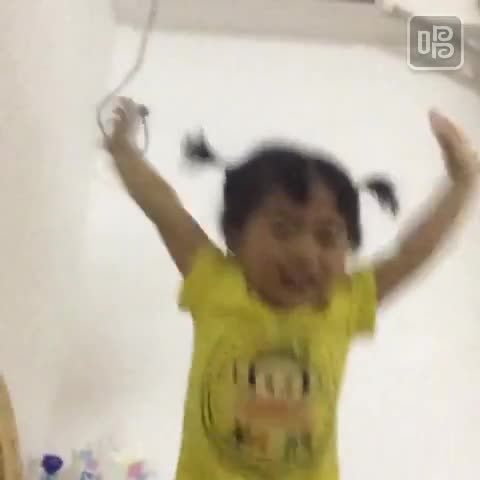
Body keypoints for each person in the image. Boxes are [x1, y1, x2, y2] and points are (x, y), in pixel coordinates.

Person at [104, 97, 478, 480]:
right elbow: (164, 208)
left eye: (327, 236)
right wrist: (122, 149)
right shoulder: (216, 283)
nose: (305, 253)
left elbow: (412, 252)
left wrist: (462, 183)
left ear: (348, 248)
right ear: (235, 234)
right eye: (283, 228)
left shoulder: (343, 302)